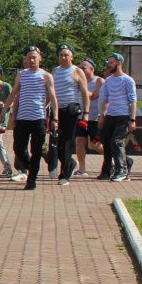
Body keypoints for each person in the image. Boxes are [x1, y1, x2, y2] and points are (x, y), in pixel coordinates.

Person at [4, 46, 58, 191]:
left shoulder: (46, 76)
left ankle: (32, 179)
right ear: (26, 60)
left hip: (38, 118)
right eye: (29, 57)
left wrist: (55, 118)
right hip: (22, 118)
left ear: (40, 58)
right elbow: (14, 93)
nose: (32, 60)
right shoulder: (22, 74)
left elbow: (53, 98)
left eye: (34, 57)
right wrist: (4, 111)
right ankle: (30, 168)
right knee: (18, 148)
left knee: (37, 150)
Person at [51, 45, 90, 186]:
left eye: (66, 55)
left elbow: (85, 94)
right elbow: (51, 92)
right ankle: (70, 163)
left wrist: (86, 114)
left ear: (72, 56)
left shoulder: (77, 71)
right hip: (57, 111)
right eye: (61, 55)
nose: (63, 57)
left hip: (71, 111)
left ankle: (64, 175)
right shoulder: (55, 71)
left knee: (67, 142)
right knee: (57, 144)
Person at [96, 52, 137, 182]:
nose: (109, 65)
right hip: (111, 116)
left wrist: (132, 119)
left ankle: (122, 171)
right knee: (107, 142)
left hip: (123, 116)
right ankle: (109, 170)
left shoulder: (127, 80)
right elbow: (104, 100)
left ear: (119, 63)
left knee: (117, 141)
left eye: (111, 62)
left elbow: (133, 100)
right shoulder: (108, 81)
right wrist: (102, 116)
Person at [76, 57, 102, 177]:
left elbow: (94, 96)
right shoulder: (77, 81)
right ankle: (82, 169)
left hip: (94, 117)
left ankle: (117, 161)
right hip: (80, 117)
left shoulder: (99, 81)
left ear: (92, 68)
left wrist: (83, 87)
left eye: (83, 68)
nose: (80, 70)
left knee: (96, 145)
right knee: (79, 142)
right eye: (79, 68)